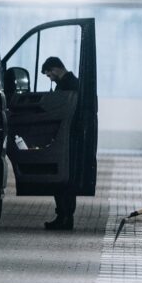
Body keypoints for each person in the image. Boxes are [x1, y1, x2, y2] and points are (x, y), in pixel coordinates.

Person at [41, 56, 80, 230]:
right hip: (67, 137)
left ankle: (64, 216)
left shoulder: (68, 85)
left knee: (62, 179)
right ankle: (64, 216)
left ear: (55, 69)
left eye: (49, 74)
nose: (50, 78)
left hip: (65, 138)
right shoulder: (71, 83)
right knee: (64, 179)